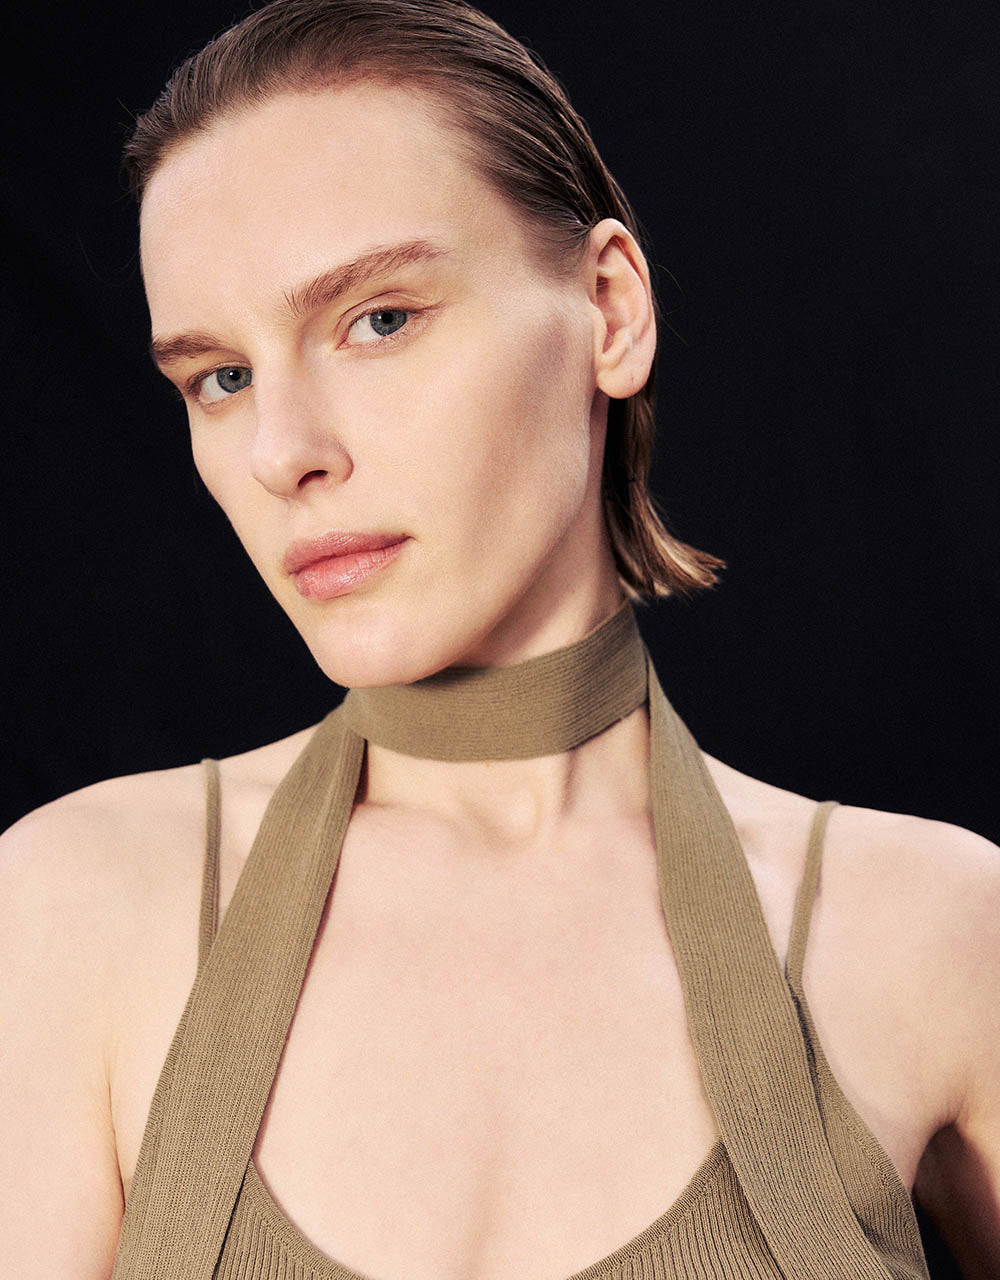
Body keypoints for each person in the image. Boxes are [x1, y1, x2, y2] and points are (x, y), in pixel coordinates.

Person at [1, 1, 997, 1277]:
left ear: (608, 311)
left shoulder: (930, 930)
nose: (282, 452)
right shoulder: (78, 904)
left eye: (377, 319)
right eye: (221, 378)